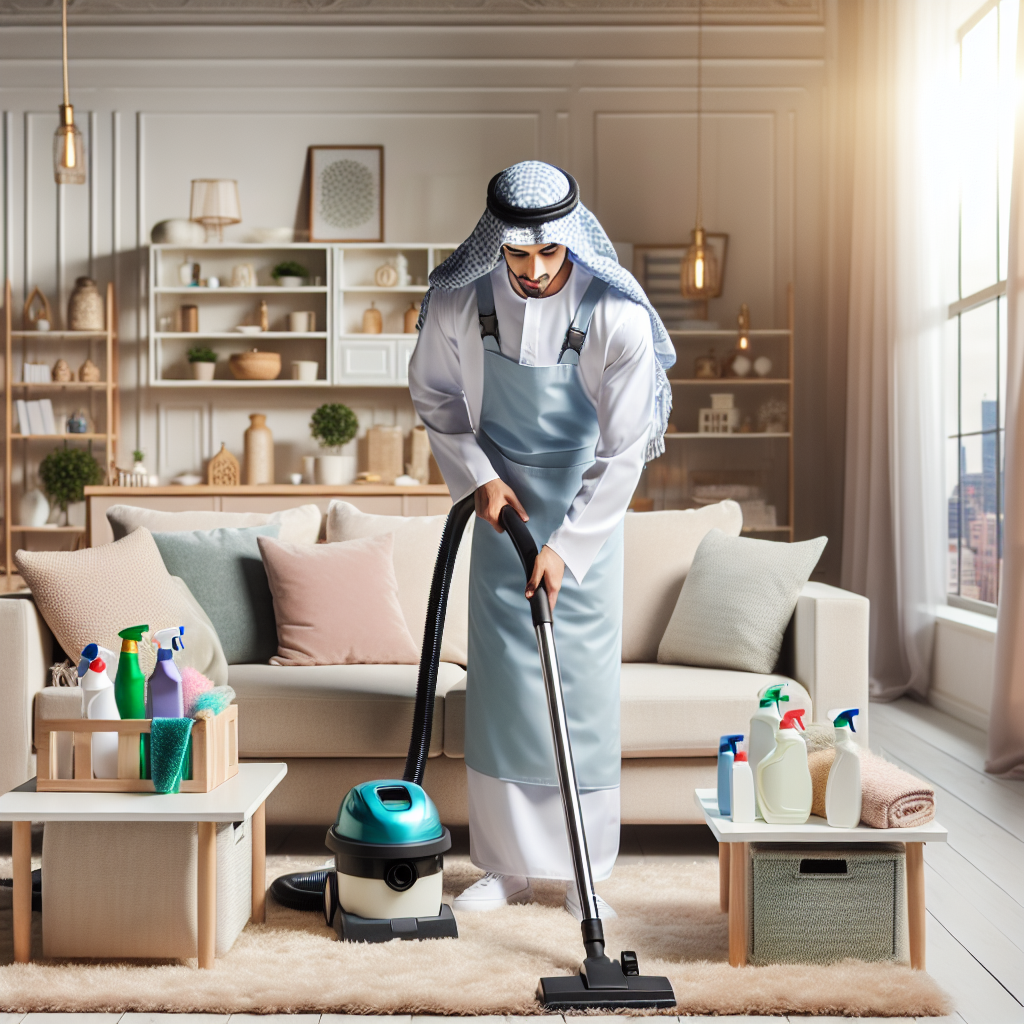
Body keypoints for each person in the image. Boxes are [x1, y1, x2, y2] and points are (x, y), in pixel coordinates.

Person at [408, 160, 674, 919]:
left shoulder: (613, 316)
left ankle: (583, 873)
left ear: (570, 243)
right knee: (506, 701)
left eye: (547, 256)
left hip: (582, 526)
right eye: (517, 257)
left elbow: (624, 451)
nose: (532, 272)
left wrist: (569, 546)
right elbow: (433, 395)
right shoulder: (460, 304)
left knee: (580, 700)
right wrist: (476, 478)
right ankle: (506, 870)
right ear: (497, 245)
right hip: (501, 518)